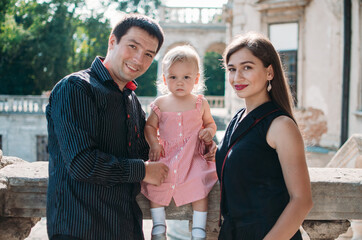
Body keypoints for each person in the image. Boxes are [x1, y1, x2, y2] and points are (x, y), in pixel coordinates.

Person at [46, 14, 170, 240]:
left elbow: (145, 153)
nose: (139, 59)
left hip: (125, 228)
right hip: (81, 231)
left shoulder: (131, 99)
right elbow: (82, 164)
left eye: (148, 55)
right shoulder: (76, 87)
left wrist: (200, 147)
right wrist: (142, 170)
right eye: (133, 46)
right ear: (112, 41)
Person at [215, 32, 313, 240]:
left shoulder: (281, 125)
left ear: (269, 72)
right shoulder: (238, 118)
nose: (237, 77)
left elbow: (302, 200)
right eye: (232, 69)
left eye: (247, 67)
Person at [141, 45, 218, 240]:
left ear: (196, 79)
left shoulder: (200, 102)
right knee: (156, 183)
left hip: (193, 156)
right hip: (166, 154)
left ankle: (198, 229)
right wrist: (154, 144)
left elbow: (210, 123)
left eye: (186, 77)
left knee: (199, 182)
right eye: (173, 77)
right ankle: (159, 226)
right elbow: (150, 127)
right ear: (165, 79)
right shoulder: (161, 103)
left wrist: (209, 132)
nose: (180, 82)